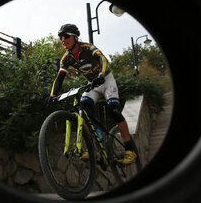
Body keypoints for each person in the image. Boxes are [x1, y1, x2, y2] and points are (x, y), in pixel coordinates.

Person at [46, 23, 137, 164]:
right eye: (60, 37)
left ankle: (129, 149)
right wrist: (52, 95)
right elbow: (60, 77)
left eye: (65, 36)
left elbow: (103, 59)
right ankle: (92, 148)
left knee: (113, 110)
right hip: (92, 85)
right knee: (82, 111)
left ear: (75, 37)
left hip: (106, 80)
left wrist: (101, 74)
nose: (62, 39)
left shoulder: (87, 48)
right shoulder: (66, 58)